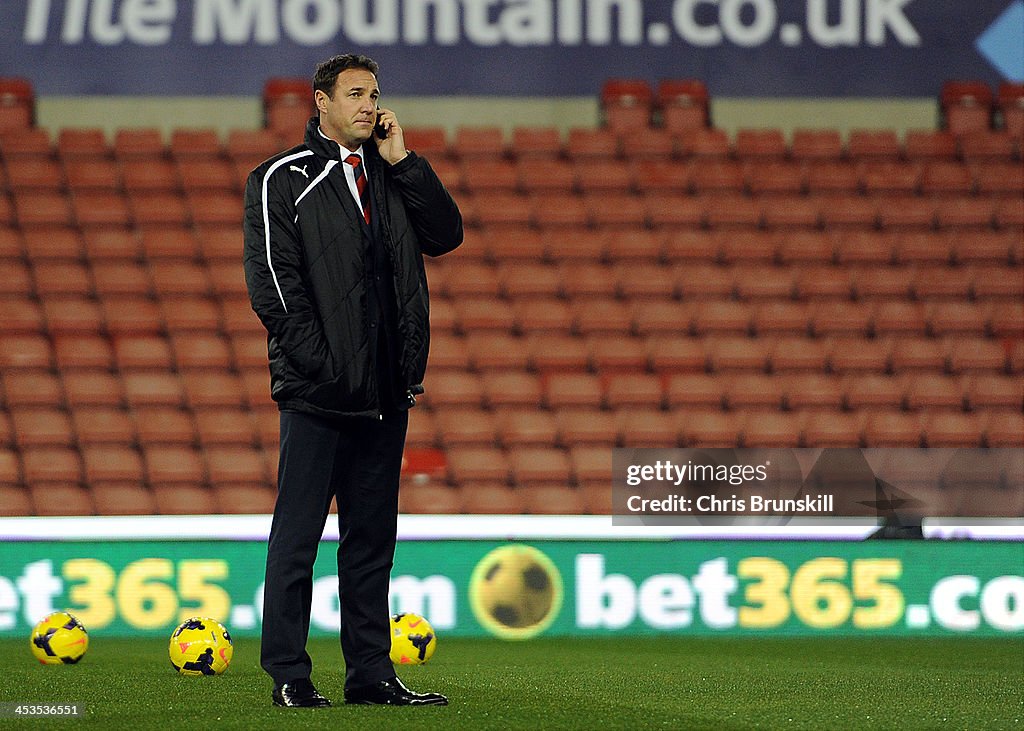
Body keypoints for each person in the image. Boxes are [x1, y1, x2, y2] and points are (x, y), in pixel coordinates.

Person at [243, 53, 462, 708]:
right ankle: (288, 673)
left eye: (375, 95)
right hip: (318, 396)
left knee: (370, 544)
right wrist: (329, 371)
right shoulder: (281, 179)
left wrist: (406, 161)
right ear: (322, 101)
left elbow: (446, 234)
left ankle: (371, 673)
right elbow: (275, 290)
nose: (369, 105)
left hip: (386, 396)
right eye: (356, 94)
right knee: (298, 539)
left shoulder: (392, 174)